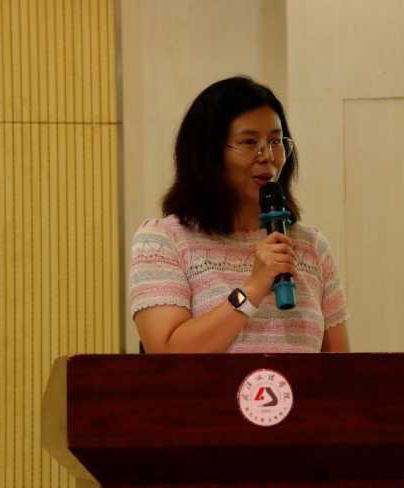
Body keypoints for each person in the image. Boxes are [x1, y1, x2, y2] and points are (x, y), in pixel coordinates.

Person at [129, 76, 350, 354]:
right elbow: (167, 355)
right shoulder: (163, 241)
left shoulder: (312, 247)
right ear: (208, 153)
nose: (267, 156)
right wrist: (253, 289)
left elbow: (341, 369)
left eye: (275, 141)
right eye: (248, 141)